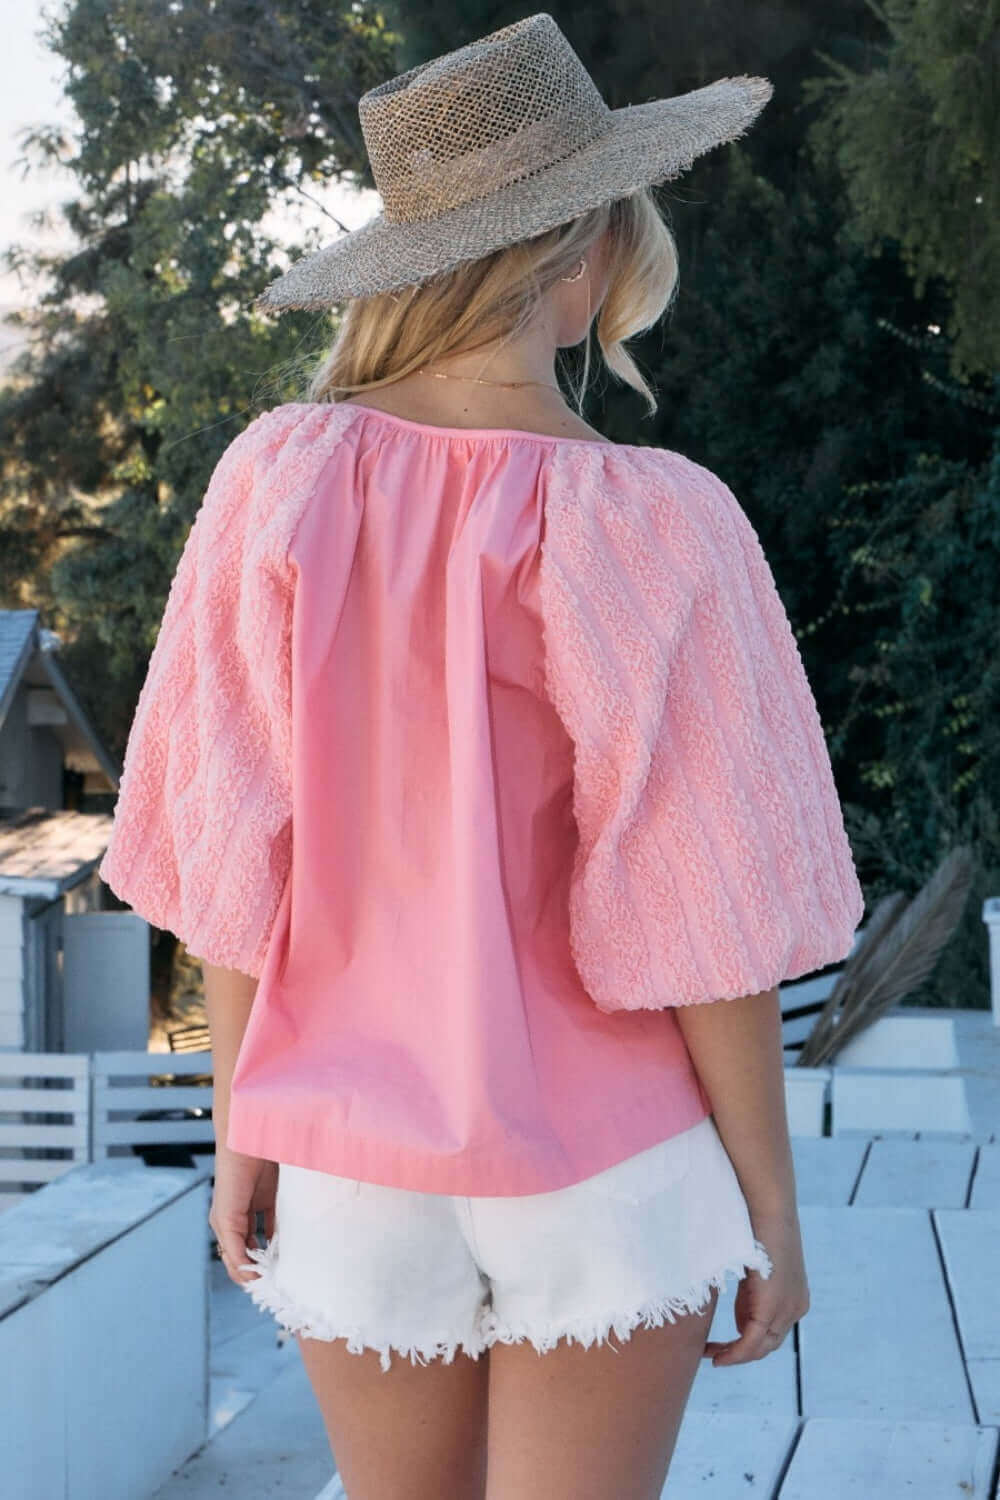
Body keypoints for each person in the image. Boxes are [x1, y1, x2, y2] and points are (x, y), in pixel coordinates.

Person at [98, 14, 864, 1499]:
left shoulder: (274, 481)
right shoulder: (660, 521)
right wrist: (770, 1198)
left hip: (352, 1156)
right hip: (612, 1162)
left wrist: (246, 1115)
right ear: (581, 247)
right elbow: (704, 916)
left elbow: (228, 851)